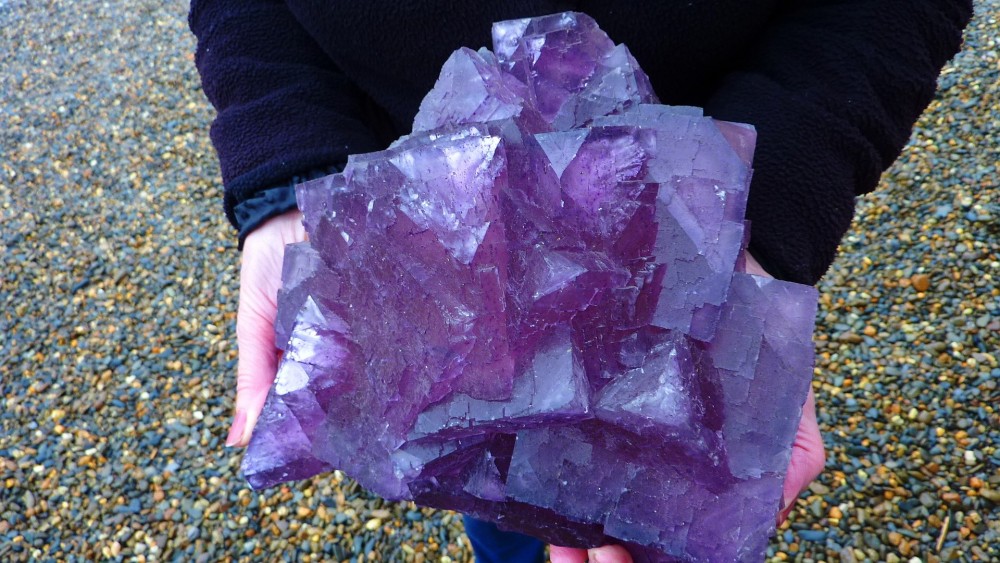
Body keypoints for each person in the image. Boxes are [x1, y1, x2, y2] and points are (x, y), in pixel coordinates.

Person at [189, 2, 972, 562]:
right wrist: (287, 159)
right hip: (423, 207)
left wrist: (749, 224)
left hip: (698, 194)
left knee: (567, 471)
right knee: (493, 483)